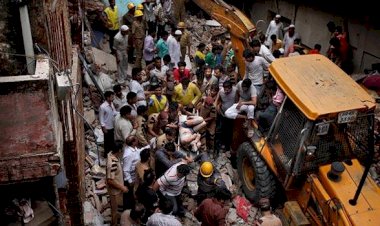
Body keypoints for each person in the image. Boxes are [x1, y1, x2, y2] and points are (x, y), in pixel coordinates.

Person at [123, 136, 151, 209]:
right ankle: (128, 211)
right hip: (130, 179)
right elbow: (125, 170)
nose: (138, 140)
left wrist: (149, 146)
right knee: (129, 197)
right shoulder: (128, 154)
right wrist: (130, 181)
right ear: (133, 142)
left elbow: (138, 151)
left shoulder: (133, 149)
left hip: (134, 176)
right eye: (136, 140)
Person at [107, 141, 129, 226]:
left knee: (116, 209)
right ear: (119, 150)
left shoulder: (112, 155)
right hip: (115, 191)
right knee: (115, 212)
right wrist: (122, 187)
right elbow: (110, 180)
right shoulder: (113, 163)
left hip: (117, 189)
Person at [99, 91, 116, 157]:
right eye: (112, 97)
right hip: (107, 127)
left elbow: (114, 112)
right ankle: (106, 155)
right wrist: (103, 127)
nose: (113, 98)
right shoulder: (102, 107)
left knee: (112, 140)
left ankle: (111, 154)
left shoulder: (111, 104)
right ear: (107, 97)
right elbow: (101, 118)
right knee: (107, 142)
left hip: (112, 125)